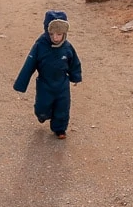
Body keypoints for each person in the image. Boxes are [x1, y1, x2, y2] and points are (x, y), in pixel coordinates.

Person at [13, 10, 82, 139]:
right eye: (52, 34)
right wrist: (20, 84)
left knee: (63, 107)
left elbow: (74, 63)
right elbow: (29, 65)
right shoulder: (40, 46)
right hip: (45, 83)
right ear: (47, 32)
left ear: (64, 33)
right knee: (42, 106)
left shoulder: (67, 47)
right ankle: (42, 114)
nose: (56, 37)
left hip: (62, 84)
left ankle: (60, 129)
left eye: (59, 34)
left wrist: (76, 77)